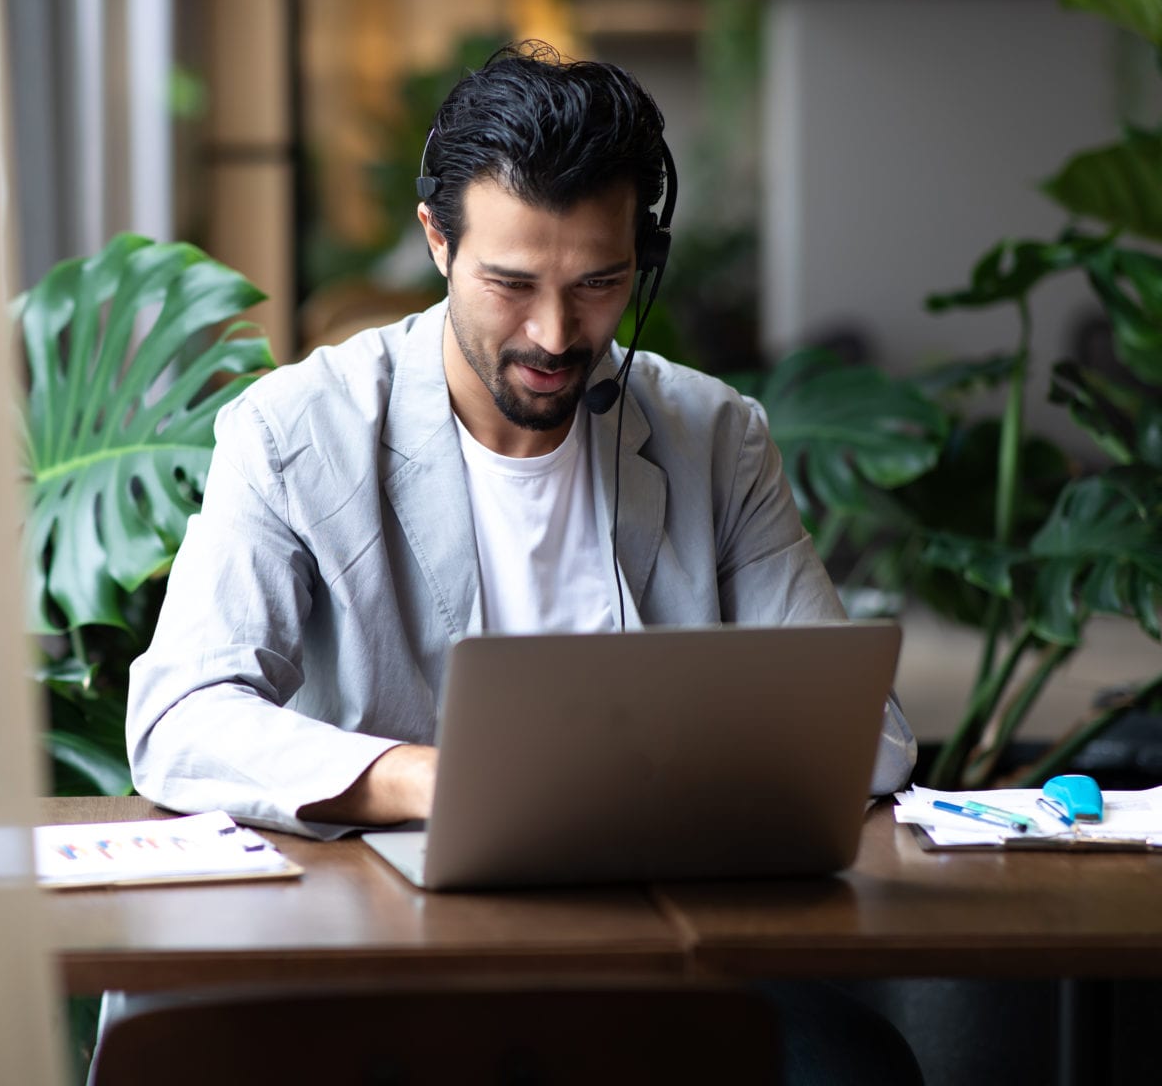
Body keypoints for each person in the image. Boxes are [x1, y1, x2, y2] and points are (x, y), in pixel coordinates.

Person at [126, 41, 916, 840]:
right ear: (437, 240)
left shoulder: (714, 439)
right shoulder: (294, 433)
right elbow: (181, 720)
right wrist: (432, 778)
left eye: (599, 284)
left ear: (643, 261)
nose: (554, 333)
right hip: (394, 919)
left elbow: (868, 736)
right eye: (510, 284)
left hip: (659, 909)